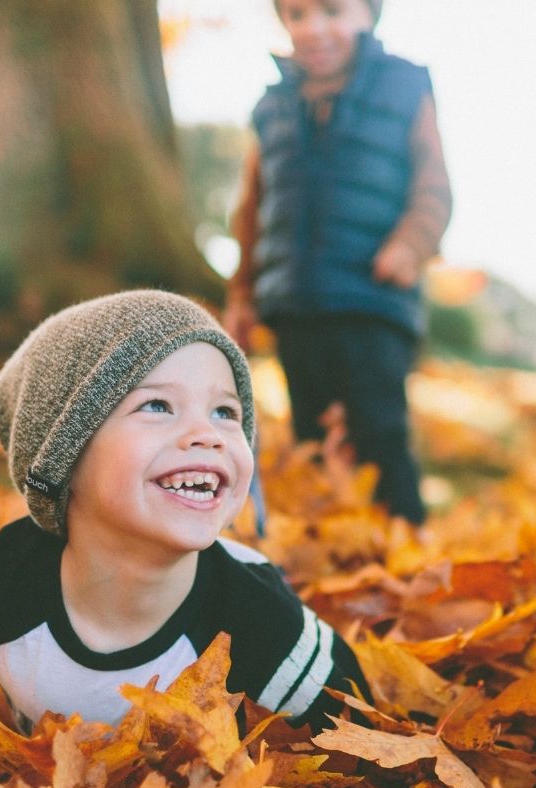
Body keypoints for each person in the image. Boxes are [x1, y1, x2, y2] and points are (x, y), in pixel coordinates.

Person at [0, 289, 370, 735]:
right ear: (61, 459)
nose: (207, 434)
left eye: (225, 411)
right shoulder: (3, 579)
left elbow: (358, 734)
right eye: (157, 405)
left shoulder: (263, 630)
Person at [225, 0, 452, 525]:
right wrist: (242, 294)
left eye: (332, 10)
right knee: (311, 434)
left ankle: (404, 538)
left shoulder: (404, 85)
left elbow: (434, 186)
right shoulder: (272, 105)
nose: (314, 28)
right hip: (295, 301)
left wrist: (410, 246)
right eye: (297, 14)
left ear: (370, 14)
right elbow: (252, 208)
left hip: (371, 298)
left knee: (378, 429)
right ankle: (332, 542)